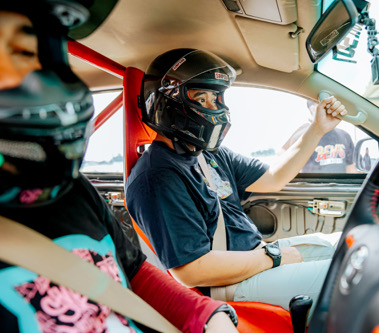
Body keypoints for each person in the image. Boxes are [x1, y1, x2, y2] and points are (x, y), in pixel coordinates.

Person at [0, 3, 238, 333]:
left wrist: (208, 315)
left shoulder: (71, 189)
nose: (21, 78)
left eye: (26, 52)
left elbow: (135, 271)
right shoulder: (157, 174)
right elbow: (190, 269)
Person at [125, 48, 348, 317]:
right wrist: (273, 258)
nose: (213, 108)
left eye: (216, 98)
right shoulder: (157, 176)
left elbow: (274, 177)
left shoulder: (209, 154)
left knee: (354, 245)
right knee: (356, 277)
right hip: (230, 283)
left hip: (255, 258)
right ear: (168, 103)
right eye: (201, 98)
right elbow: (191, 270)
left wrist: (317, 129)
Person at [281, 100, 356, 173]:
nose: (330, 109)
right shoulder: (301, 137)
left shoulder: (344, 135)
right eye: (324, 106)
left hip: (342, 184)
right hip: (313, 185)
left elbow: (351, 167)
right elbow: (285, 166)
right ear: (313, 109)